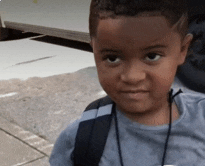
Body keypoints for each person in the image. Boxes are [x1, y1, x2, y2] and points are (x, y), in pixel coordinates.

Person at [49, 0, 205, 165]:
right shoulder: (79, 140)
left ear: (183, 50)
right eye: (112, 58)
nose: (132, 76)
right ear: (94, 50)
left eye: (152, 56)